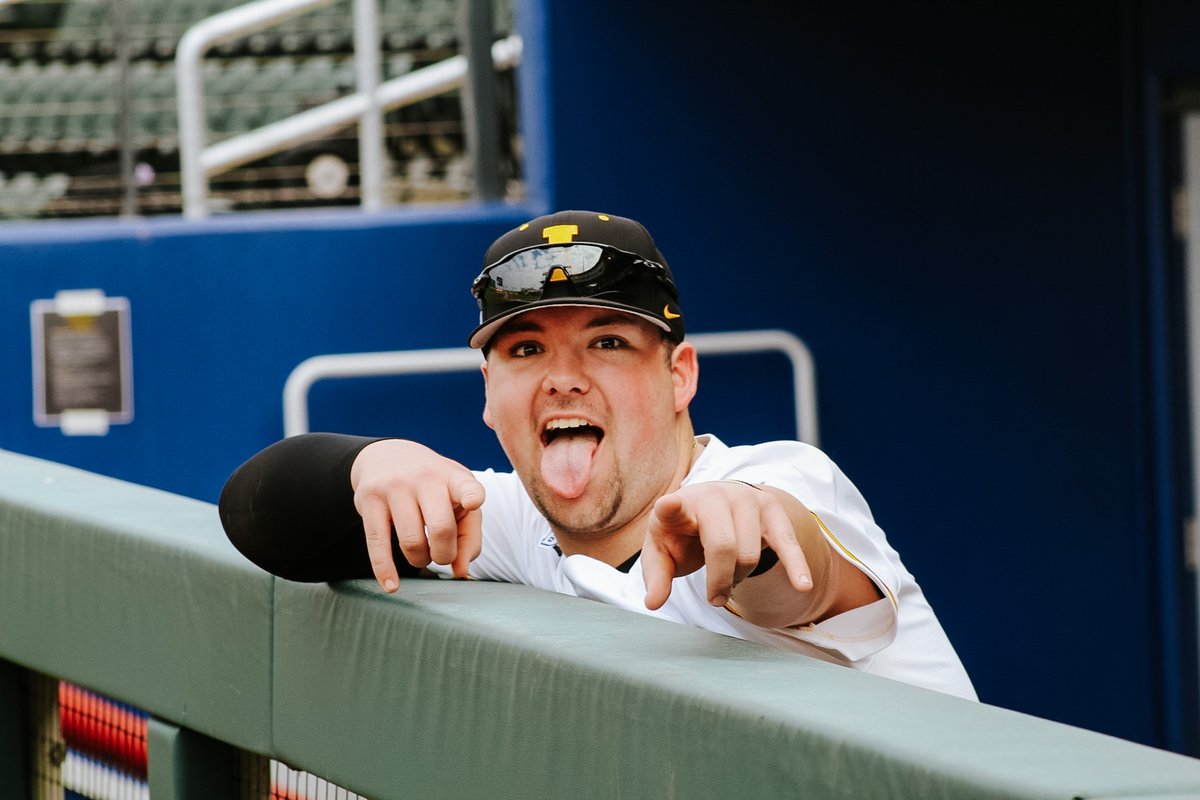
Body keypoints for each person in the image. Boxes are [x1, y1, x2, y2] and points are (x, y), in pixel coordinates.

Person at [219, 209, 977, 701]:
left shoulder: (778, 477)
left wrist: (749, 540)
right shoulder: (511, 522)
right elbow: (258, 511)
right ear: (489, 393)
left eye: (608, 342)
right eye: (525, 349)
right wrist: (368, 463)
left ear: (678, 376)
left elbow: (794, 579)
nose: (563, 378)